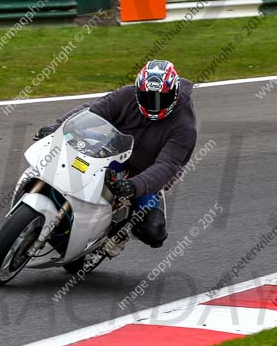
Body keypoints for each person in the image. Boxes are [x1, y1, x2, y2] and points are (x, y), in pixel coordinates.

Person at [35, 60, 198, 255]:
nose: (154, 105)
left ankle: (121, 232)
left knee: (153, 231)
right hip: (112, 146)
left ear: (175, 93)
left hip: (145, 171)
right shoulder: (127, 94)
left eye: (161, 98)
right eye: (148, 98)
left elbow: (167, 165)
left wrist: (135, 185)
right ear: (138, 92)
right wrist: (57, 127)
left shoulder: (185, 126)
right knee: (68, 154)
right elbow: (93, 109)